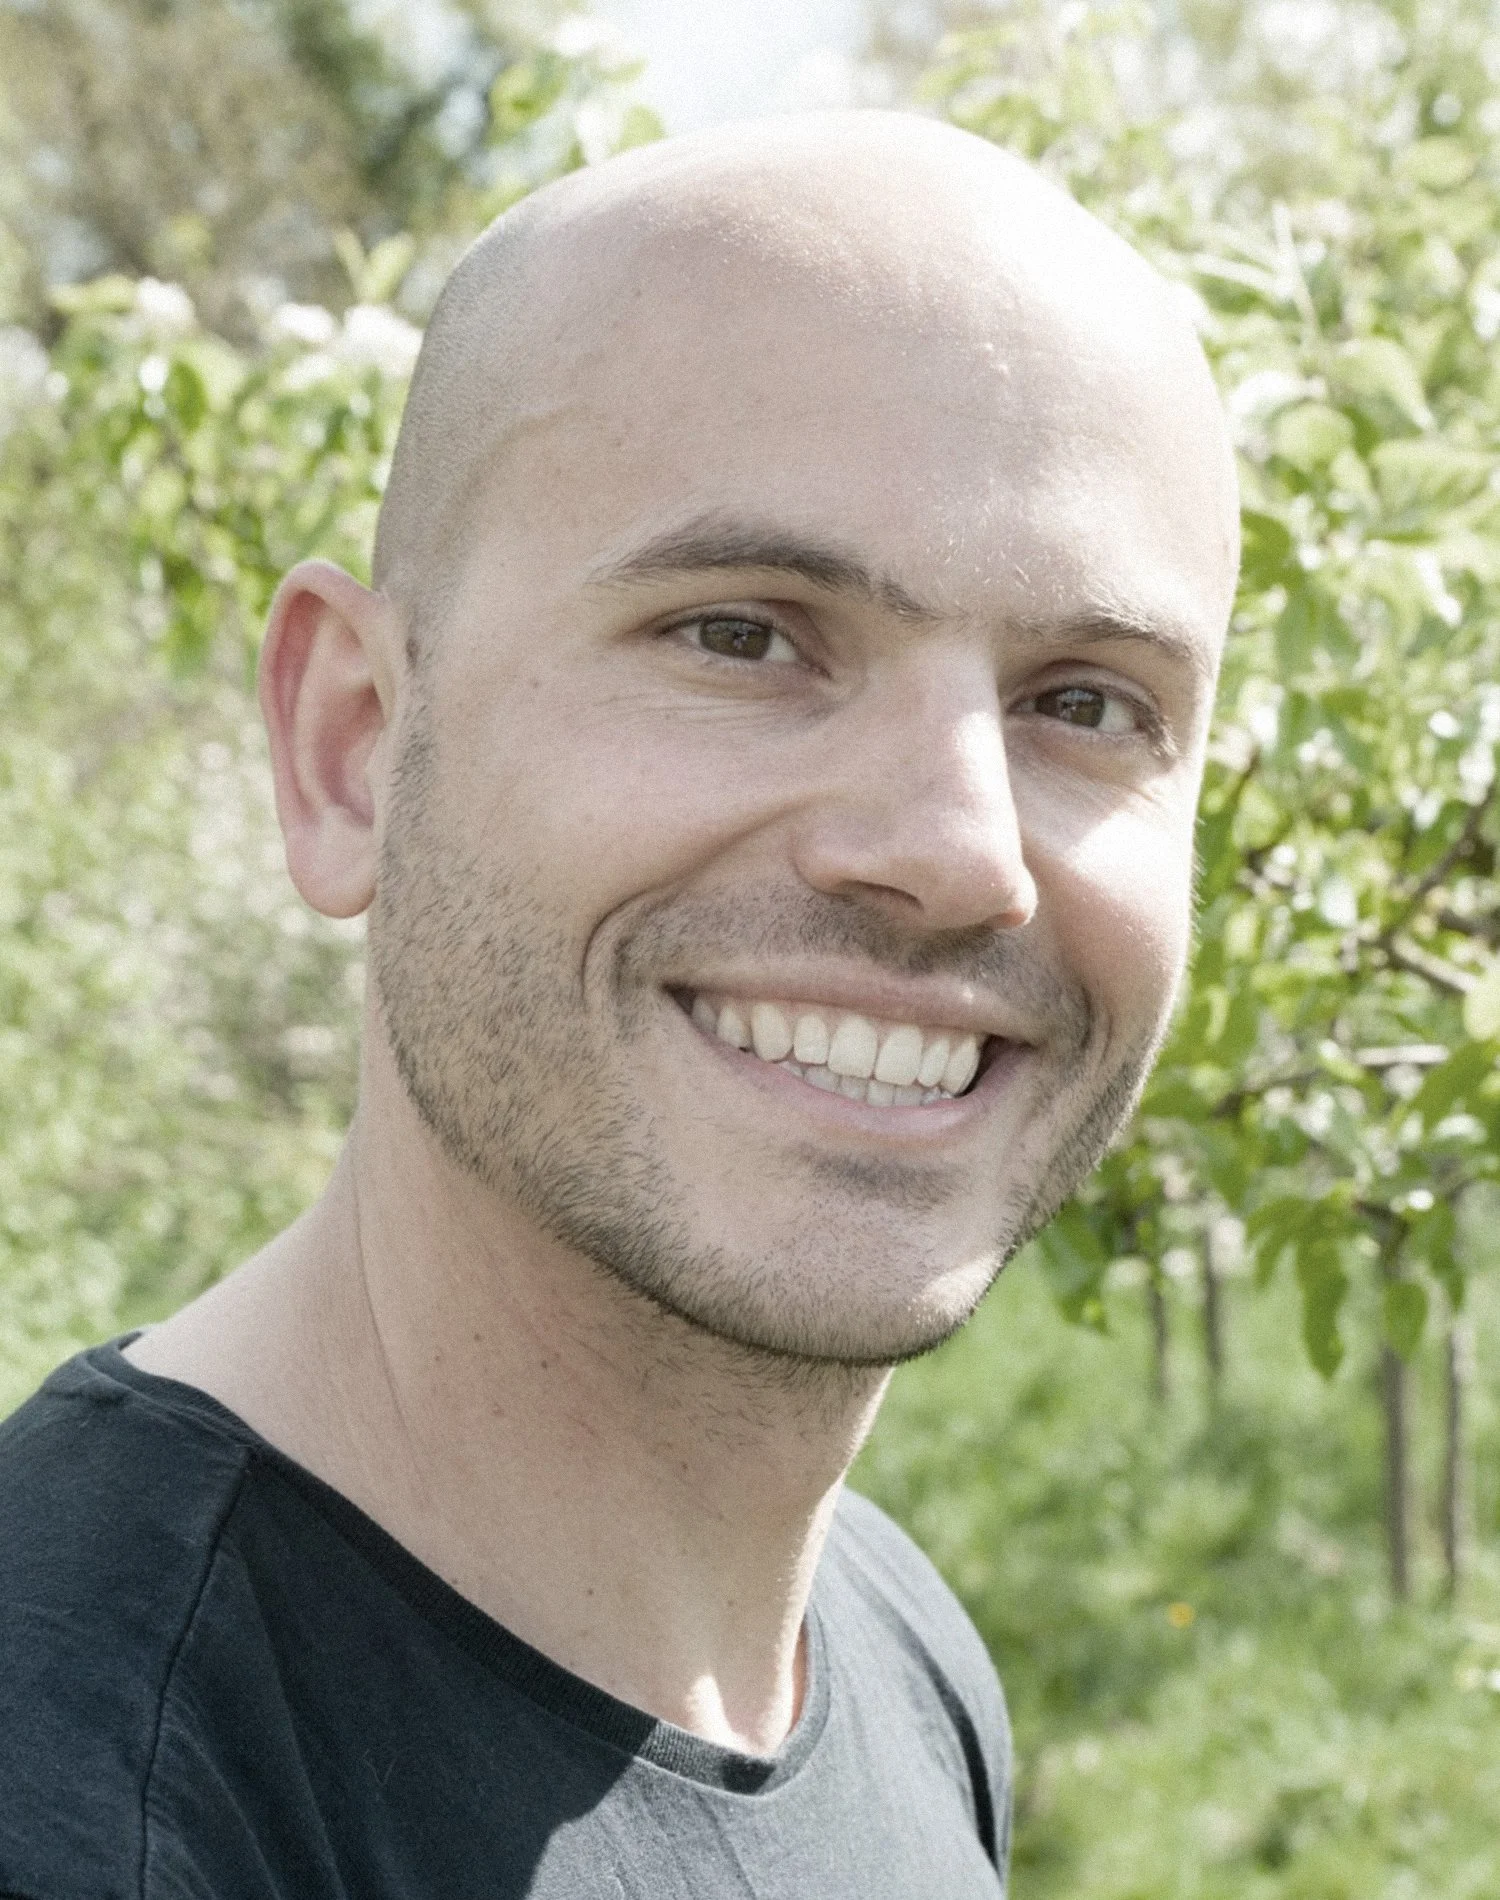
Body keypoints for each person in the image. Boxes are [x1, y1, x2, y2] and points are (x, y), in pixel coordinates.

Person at [0, 110, 1238, 1898]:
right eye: (744, 634)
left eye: (1090, 701)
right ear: (353, 748)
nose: (962, 854)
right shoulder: (90, 1799)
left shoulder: (890, 1647)